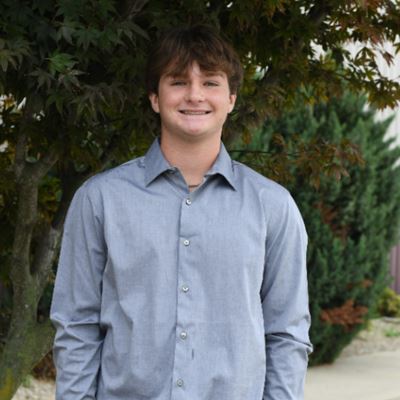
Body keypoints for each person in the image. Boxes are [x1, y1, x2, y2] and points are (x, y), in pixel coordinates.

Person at [50, 25, 312, 400]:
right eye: (178, 82)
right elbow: (77, 325)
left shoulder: (273, 206)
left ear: (231, 99)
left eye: (210, 82)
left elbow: (287, 333)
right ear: (155, 98)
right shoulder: (100, 199)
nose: (194, 95)